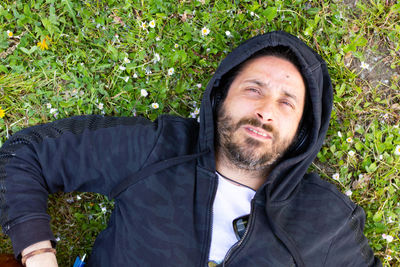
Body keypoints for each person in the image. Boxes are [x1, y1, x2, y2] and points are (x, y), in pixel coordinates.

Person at [0, 31, 381, 267]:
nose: (265, 109)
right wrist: (37, 255)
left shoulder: (326, 221)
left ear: (302, 131)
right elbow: (24, 153)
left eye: (287, 102)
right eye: (253, 89)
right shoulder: (158, 149)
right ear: (220, 99)